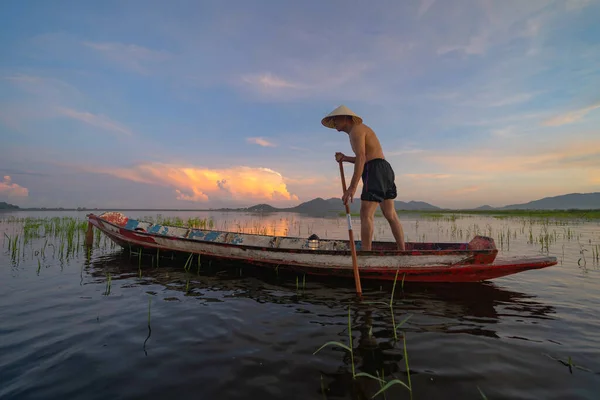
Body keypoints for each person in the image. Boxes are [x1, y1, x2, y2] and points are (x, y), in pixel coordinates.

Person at [321, 105, 406, 251]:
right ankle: (402, 251)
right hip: (384, 168)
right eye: (332, 120)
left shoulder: (356, 130)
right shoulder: (358, 130)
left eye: (336, 119)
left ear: (346, 118)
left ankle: (366, 253)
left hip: (375, 170)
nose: (334, 122)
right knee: (390, 214)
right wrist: (345, 158)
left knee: (366, 214)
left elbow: (362, 157)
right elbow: (366, 157)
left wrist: (352, 187)